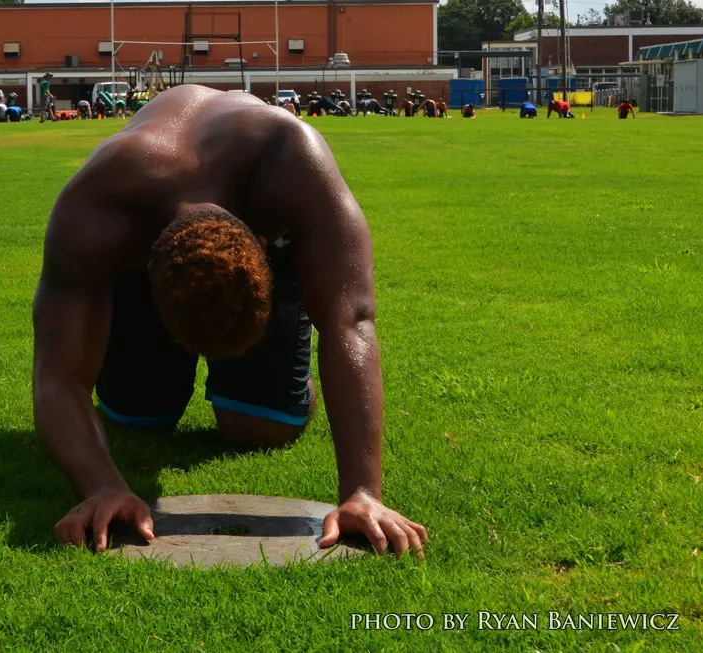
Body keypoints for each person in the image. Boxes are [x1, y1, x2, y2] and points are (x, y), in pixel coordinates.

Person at [33, 84, 429, 559]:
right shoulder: (100, 206)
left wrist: (363, 490)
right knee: (139, 415)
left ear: (262, 247)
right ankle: (158, 359)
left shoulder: (294, 160)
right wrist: (100, 485)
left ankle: (285, 383)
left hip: (259, 223)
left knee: (260, 428)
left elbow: (352, 321)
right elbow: (58, 374)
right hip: (143, 253)